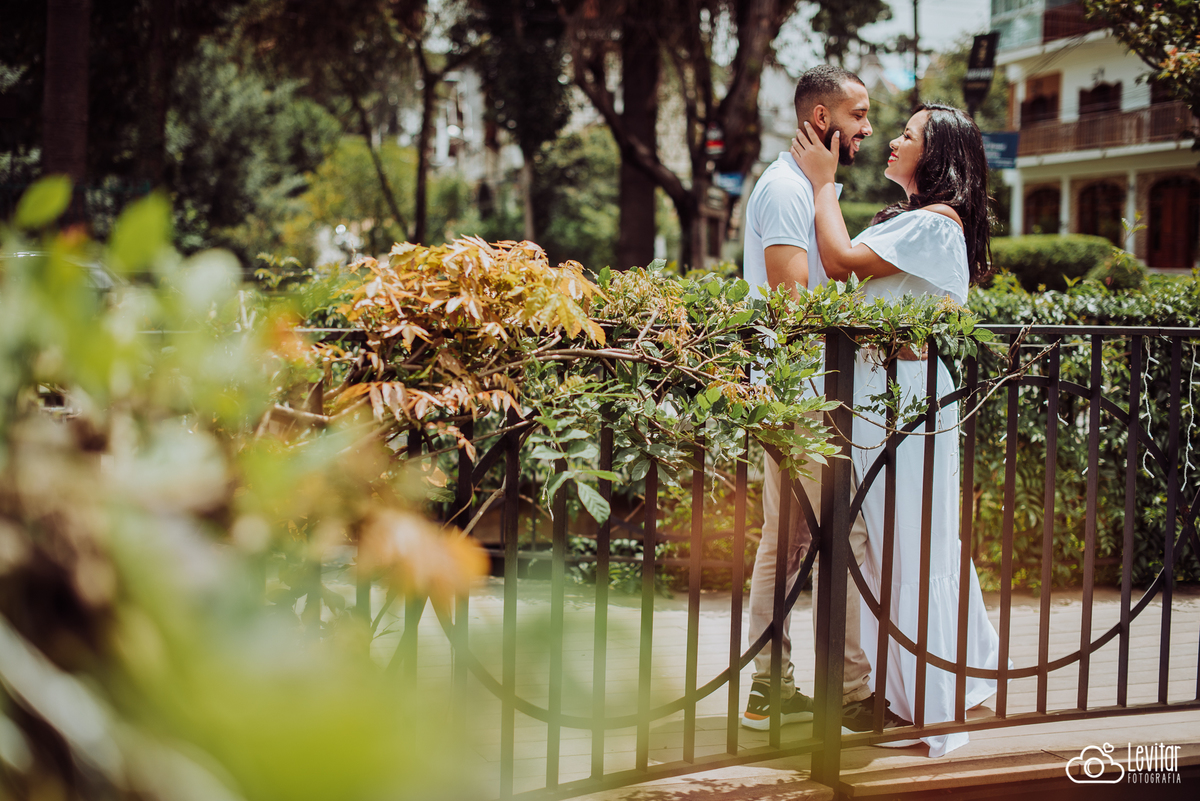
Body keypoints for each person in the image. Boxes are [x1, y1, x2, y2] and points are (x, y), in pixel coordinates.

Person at [789, 103, 1003, 757]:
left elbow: (839, 255)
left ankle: (927, 699)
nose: (891, 139)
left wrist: (824, 181)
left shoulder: (938, 224)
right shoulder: (917, 223)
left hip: (904, 402)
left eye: (906, 134)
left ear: (936, 153)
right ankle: (915, 690)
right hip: (891, 399)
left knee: (906, 544)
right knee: (894, 544)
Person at [740, 65, 915, 742]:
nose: (868, 128)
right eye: (859, 115)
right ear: (822, 120)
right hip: (805, 395)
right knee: (838, 539)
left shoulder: (804, 187)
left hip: (807, 391)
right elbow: (793, 301)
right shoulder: (787, 190)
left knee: (787, 544)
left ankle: (770, 690)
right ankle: (845, 696)